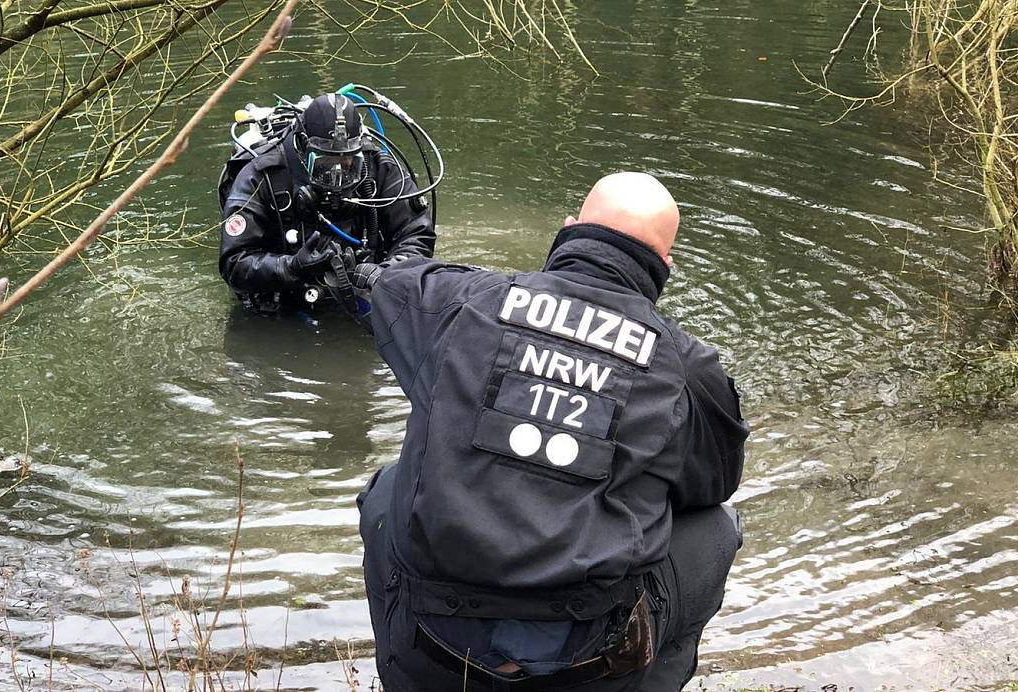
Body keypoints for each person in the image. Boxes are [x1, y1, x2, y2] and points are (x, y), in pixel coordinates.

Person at [352, 172, 749, 691]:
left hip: (436, 636)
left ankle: (405, 674)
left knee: (387, 493)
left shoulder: (458, 301)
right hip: (590, 653)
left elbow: (386, 286)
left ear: (569, 228)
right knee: (715, 527)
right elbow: (713, 485)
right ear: (665, 266)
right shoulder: (686, 364)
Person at [218, 93, 435, 313]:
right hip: (284, 302)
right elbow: (234, 262)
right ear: (304, 148)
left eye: (348, 164)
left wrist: (385, 273)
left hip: (364, 290)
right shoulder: (261, 177)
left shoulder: (379, 169)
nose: (337, 177)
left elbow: (417, 234)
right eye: (326, 164)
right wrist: (291, 267)